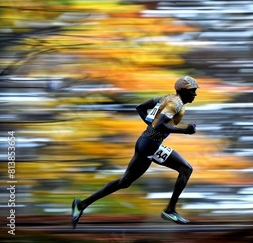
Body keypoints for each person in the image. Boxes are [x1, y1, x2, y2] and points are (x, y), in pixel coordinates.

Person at [71, 76, 199, 227]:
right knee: (186, 169)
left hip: (145, 143)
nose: (195, 94)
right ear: (183, 91)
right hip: (151, 145)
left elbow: (140, 107)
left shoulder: (166, 98)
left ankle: (81, 205)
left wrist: (149, 124)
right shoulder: (175, 104)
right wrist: (185, 131)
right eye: (192, 91)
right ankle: (170, 210)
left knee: (124, 182)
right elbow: (159, 126)